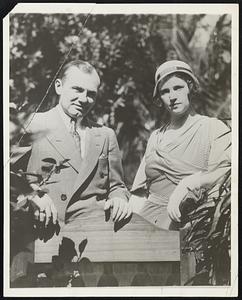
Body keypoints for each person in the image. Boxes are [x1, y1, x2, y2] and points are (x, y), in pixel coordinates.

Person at [26, 60, 132, 227]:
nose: (84, 99)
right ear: (59, 86)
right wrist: (33, 195)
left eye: (91, 94)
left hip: (96, 231)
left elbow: (117, 186)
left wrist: (119, 199)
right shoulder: (33, 124)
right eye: (77, 89)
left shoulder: (106, 135)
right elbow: (11, 179)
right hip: (47, 229)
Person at [130, 60, 231, 230]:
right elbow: (139, 194)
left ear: (190, 87)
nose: (172, 96)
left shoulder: (213, 128)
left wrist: (187, 184)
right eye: (165, 91)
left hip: (193, 225)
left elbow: (225, 173)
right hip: (148, 223)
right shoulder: (155, 137)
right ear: (160, 98)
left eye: (178, 87)